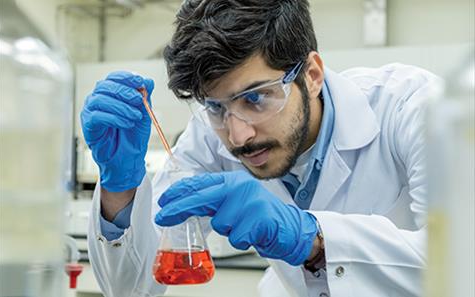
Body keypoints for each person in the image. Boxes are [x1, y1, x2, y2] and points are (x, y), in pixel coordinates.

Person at [80, 1, 441, 296]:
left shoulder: (418, 107)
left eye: (255, 98)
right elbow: (132, 288)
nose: (237, 136)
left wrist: (313, 239)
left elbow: (460, 268)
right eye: (216, 106)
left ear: (311, 75)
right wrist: (120, 187)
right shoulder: (208, 135)